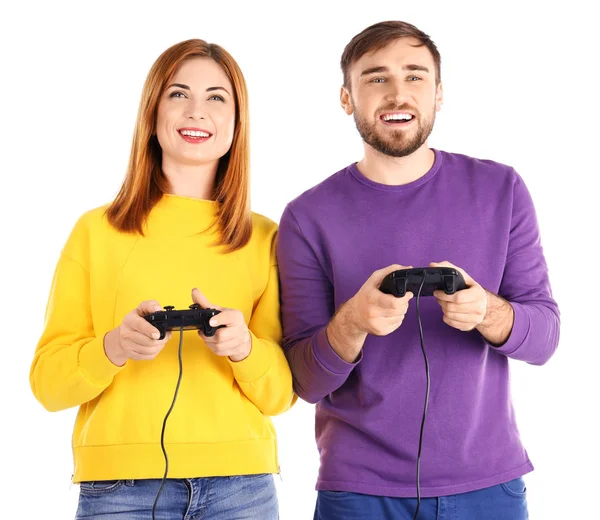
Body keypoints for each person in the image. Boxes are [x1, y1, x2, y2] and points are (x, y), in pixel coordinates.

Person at [277, 20, 559, 520]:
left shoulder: (501, 190)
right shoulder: (306, 216)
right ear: (347, 98)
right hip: (358, 491)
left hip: (488, 485)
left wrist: (487, 312)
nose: (397, 93)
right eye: (376, 78)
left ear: (439, 93)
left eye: (415, 76)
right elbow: (302, 379)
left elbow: (545, 339)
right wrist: (353, 322)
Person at [30, 38, 295, 520]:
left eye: (217, 97)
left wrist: (243, 347)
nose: (197, 111)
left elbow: (280, 394)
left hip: (242, 487)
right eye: (178, 94)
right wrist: (112, 348)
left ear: (237, 124)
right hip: (120, 488)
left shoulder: (265, 237)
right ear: (152, 114)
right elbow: (47, 384)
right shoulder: (96, 231)